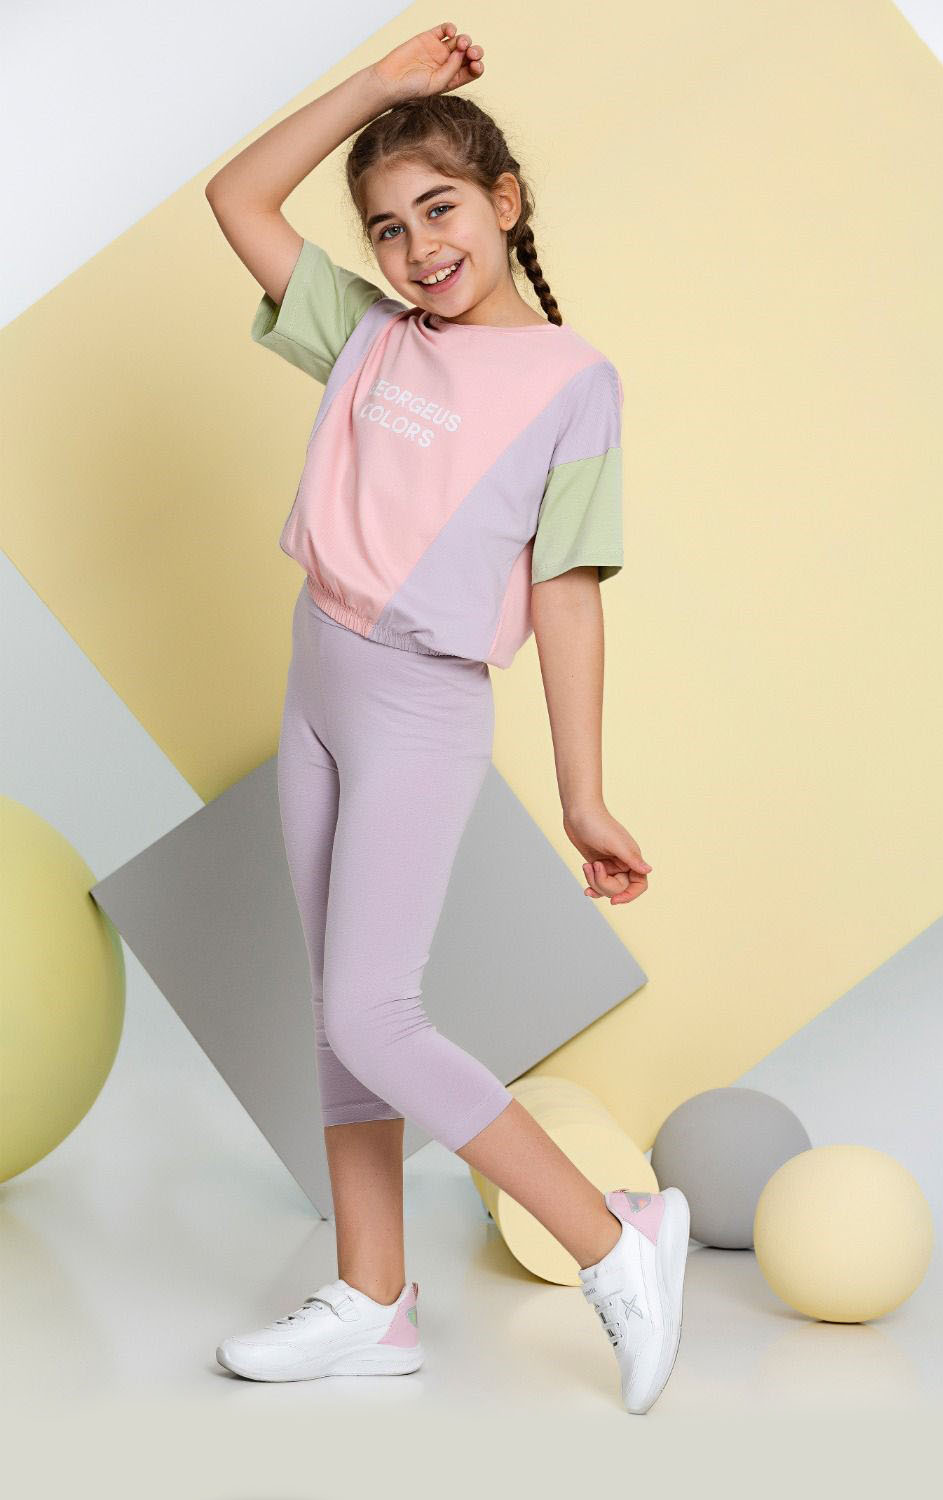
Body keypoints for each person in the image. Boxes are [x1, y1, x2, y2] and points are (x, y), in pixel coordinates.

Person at [206, 21, 689, 1413]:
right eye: (387, 225)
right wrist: (377, 87)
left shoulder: (573, 383)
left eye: (441, 208)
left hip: (420, 705)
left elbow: (567, 593)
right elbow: (237, 198)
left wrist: (584, 792)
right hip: (317, 668)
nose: (418, 247)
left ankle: (614, 1236)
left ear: (504, 201)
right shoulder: (369, 338)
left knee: (376, 1011)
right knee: (338, 1012)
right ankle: (375, 1299)